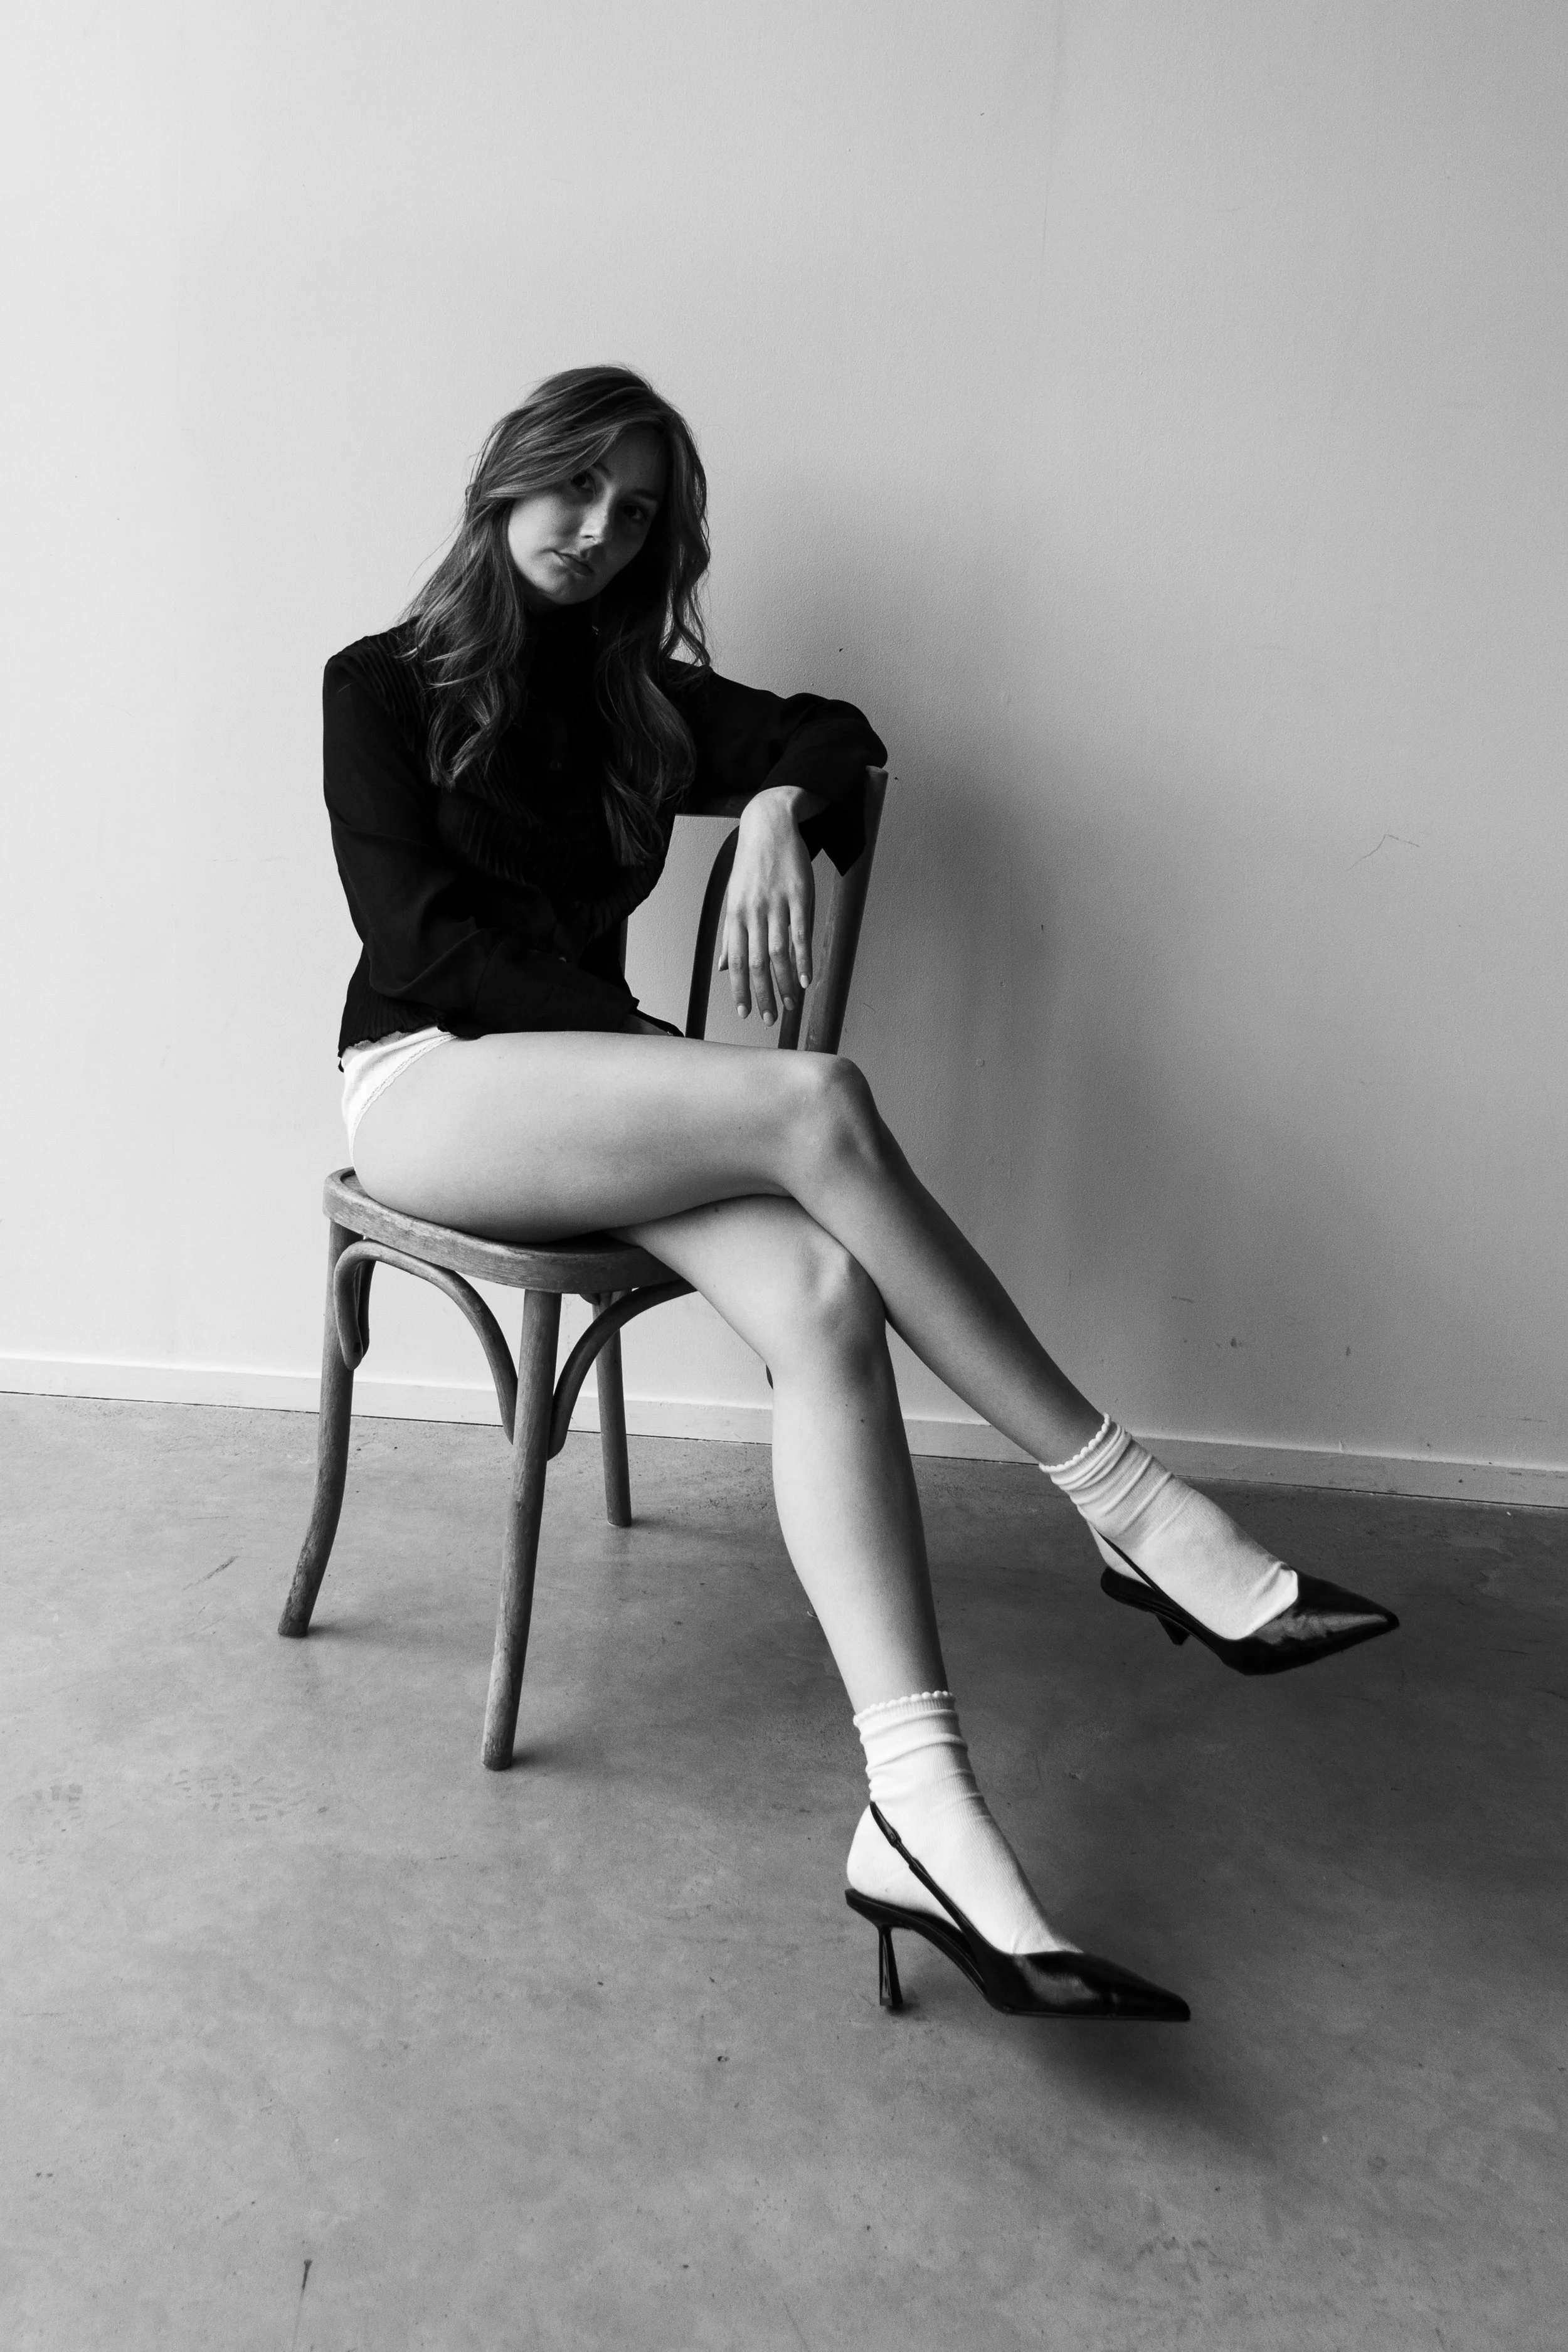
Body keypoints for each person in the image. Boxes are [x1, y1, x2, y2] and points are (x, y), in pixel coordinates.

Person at [324, 365, 1397, 2025]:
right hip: (435, 1086)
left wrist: (763, 801)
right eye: (573, 491)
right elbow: (420, 946)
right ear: (501, 482)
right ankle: (1131, 1506)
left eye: (635, 509)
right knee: (808, 1098)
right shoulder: (378, 685)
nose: (598, 531)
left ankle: (920, 1805)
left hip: (602, 1094)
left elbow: (838, 735)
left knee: (825, 1300)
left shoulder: (635, 704)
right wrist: (654, 1056)